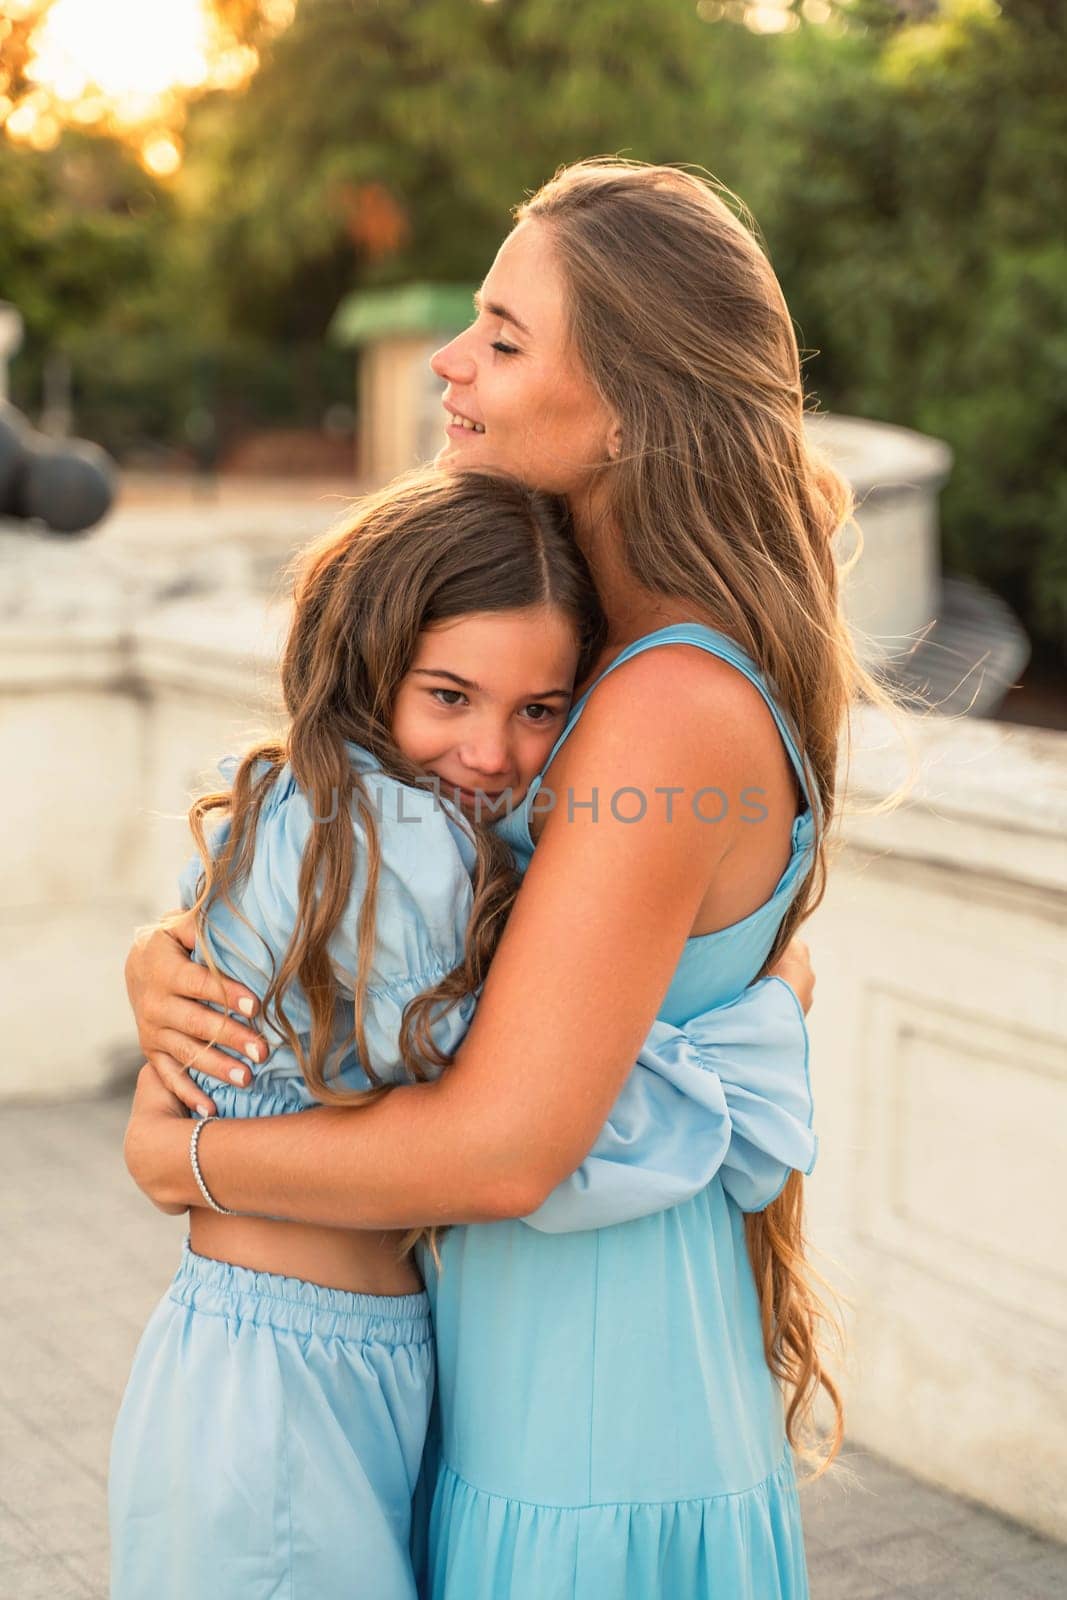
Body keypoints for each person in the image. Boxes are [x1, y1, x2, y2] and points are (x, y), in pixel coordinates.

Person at [123, 157, 878, 1598]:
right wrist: (176, 951)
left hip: (590, 1444)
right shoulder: (591, 668)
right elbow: (415, 923)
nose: (452, 368)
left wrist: (188, 1158)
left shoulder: (663, 705)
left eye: (504, 339)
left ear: (634, 409)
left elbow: (502, 1147)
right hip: (524, 1398)